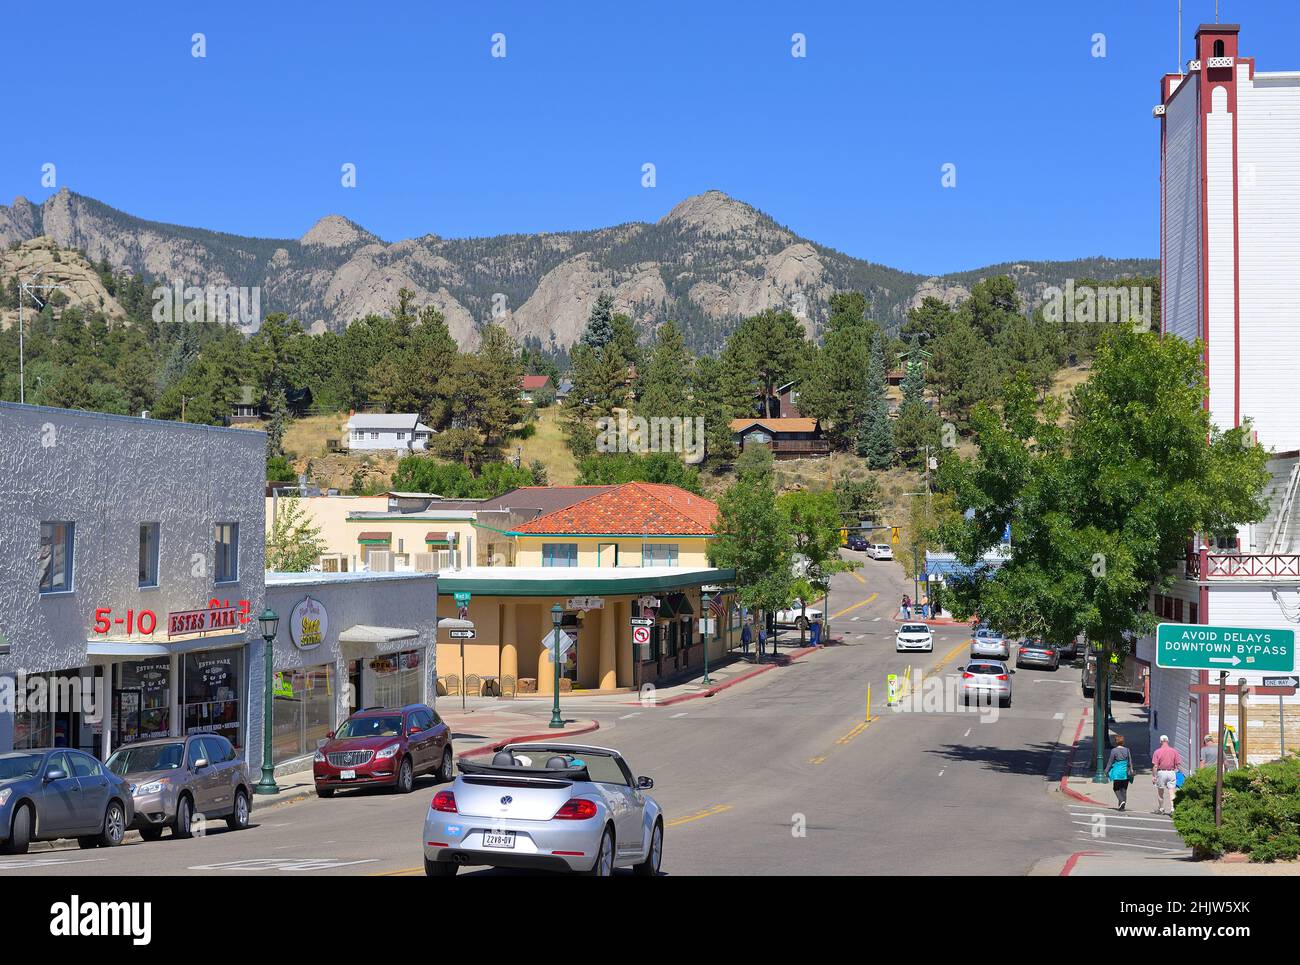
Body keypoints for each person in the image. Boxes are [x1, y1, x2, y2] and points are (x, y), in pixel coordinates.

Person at [1151, 734, 1184, 814]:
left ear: (1160, 741)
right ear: (1168, 741)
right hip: (1171, 772)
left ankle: (1161, 808)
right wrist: (1182, 773)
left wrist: (1154, 776)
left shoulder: (1157, 752)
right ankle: (1173, 809)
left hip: (1161, 772)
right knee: (1172, 791)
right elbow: (1178, 764)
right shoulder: (1174, 751)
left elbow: (1155, 766)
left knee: (1160, 792)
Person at [1106, 734, 1132, 811]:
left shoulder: (1114, 750)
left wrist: (1106, 770)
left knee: (1116, 788)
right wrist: (1131, 769)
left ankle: (1121, 801)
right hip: (1125, 772)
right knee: (1124, 790)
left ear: (1116, 742)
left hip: (1117, 772)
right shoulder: (1127, 750)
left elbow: (1110, 762)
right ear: (1123, 742)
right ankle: (1122, 806)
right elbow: (1130, 761)